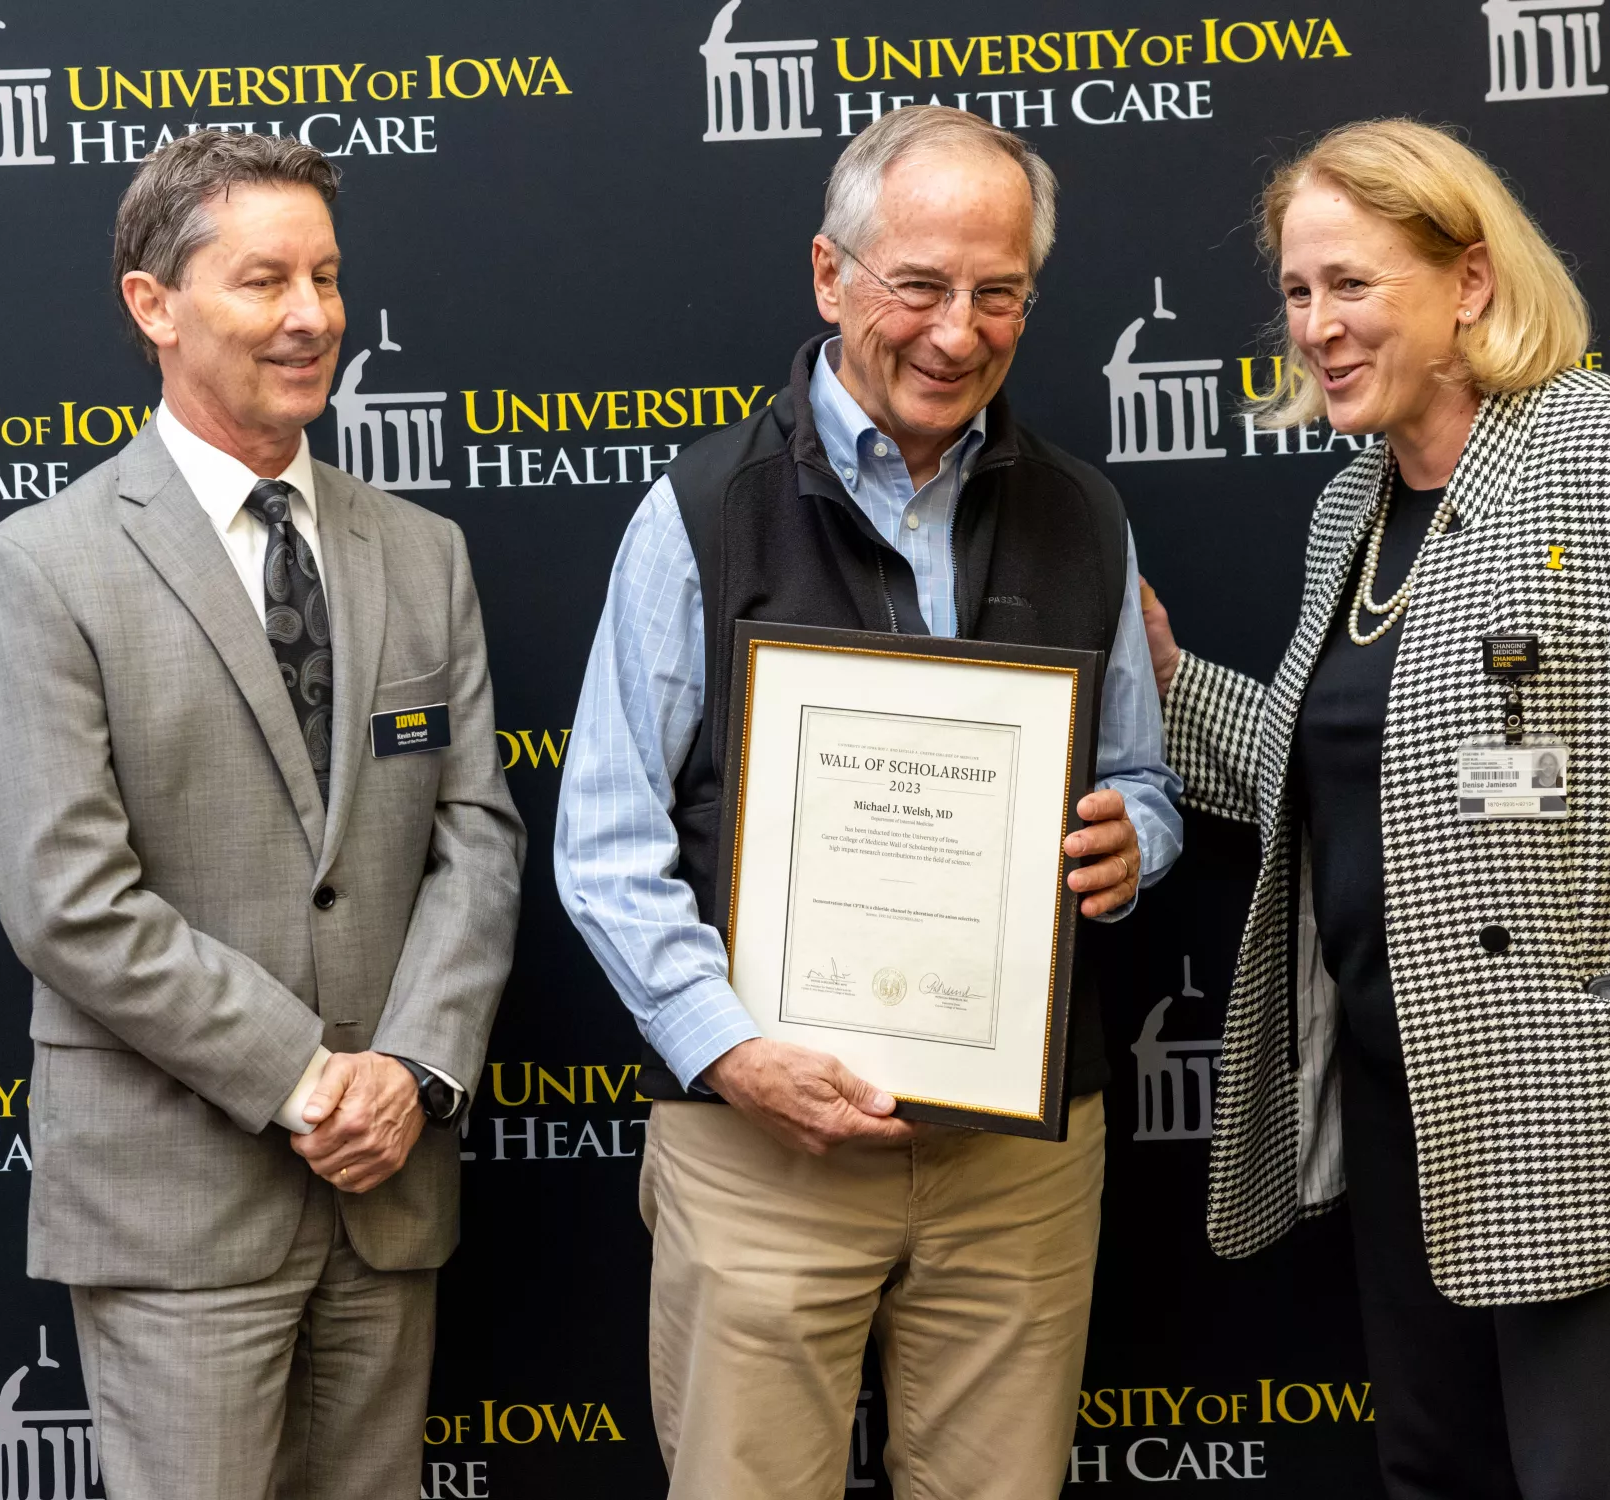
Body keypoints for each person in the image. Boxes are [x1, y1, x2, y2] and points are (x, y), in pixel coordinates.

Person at [1141, 119, 1610, 1499]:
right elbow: (1331, 777)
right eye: (1296, 291)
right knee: (1435, 1476)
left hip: (1599, 1119)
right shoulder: (1347, 513)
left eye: (1352, 283)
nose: (1317, 327)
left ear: (1468, 280)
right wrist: (1166, 685)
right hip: (1404, 1108)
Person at [554, 106, 1181, 1498]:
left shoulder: (1086, 514)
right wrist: (728, 1052)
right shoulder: (701, 512)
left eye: (999, 292)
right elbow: (604, 838)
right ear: (830, 276)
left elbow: (1141, 779)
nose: (958, 332)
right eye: (920, 285)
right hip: (760, 1143)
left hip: (1016, 1159)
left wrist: (1133, 839)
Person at [0, 129, 525, 1500]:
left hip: (388, 1190)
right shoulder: (38, 570)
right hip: (176, 1208)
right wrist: (305, 1078)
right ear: (154, 305)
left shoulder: (424, 553)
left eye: (325, 276)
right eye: (265, 280)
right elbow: (68, 902)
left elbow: (476, 836)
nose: (311, 316)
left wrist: (412, 1069)